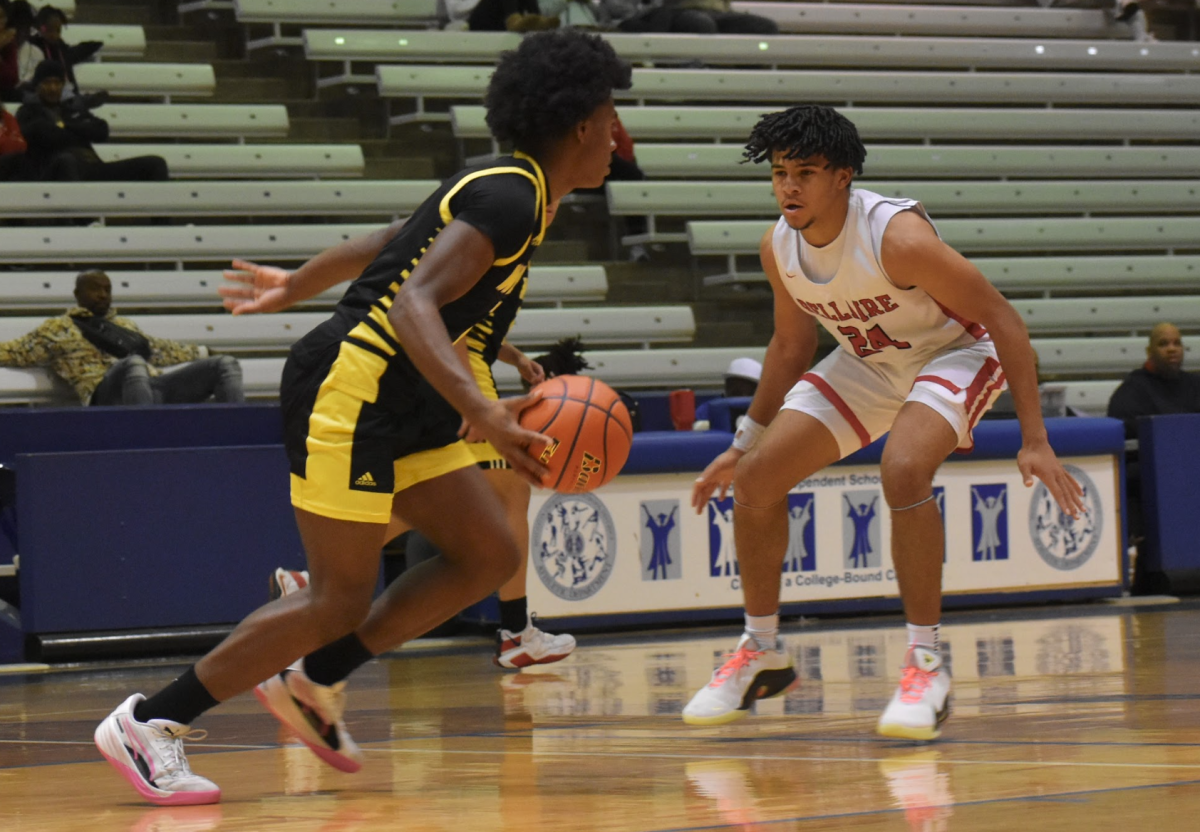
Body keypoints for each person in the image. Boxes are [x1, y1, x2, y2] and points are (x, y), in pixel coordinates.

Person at [93, 29, 630, 806]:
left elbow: (392, 245)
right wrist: (482, 409)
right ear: (581, 123)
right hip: (358, 387)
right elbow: (413, 299)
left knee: (484, 553)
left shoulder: (517, 192)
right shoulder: (510, 194)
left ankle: (316, 679)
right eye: (611, 115)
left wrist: (294, 283)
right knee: (337, 598)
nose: (620, 136)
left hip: (405, 396)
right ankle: (151, 721)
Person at [683, 105, 1085, 740]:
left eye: (806, 172)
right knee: (757, 482)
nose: (789, 186)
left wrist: (1036, 438)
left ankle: (925, 663)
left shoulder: (896, 238)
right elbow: (791, 345)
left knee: (902, 468)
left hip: (955, 352)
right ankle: (762, 652)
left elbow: (1005, 320)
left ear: (842, 176)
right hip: (871, 361)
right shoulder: (778, 247)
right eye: (780, 172)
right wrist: (744, 443)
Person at [244, 212, 582, 671]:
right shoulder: (497, 222)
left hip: (458, 371)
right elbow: (442, 316)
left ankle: (311, 584)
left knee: (467, 504)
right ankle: (517, 632)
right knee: (507, 498)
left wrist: (515, 355)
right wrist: (475, 402)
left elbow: (472, 321)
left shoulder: (512, 235)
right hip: (456, 376)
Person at [0, 270, 244, 406]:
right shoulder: (57, 328)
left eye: (107, 289)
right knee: (133, 364)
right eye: (95, 289)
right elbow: (16, 352)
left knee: (226, 364)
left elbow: (157, 349)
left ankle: (237, 438)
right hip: (105, 398)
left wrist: (201, 352)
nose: (102, 295)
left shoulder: (123, 325)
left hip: (151, 389)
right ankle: (146, 441)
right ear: (77, 294)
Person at [1106, 322, 1200, 591]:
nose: (1172, 349)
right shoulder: (1132, 390)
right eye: (1164, 343)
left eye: (1177, 343)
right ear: (1150, 350)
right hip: (1152, 480)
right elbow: (1124, 431)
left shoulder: (1195, 384)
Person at [16, 60, 167, 182]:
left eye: (57, 83)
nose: (53, 88)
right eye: (47, 83)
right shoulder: (28, 111)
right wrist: (81, 130)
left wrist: (64, 125)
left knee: (155, 163)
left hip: (92, 165)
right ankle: (83, 220)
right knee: (67, 161)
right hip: (55, 169)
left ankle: (163, 220)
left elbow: (101, 130)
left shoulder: (71, 109)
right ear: (37, 86)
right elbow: (47, 136)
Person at [17, 5, 105, 96]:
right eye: (50, 30)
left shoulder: (61, 47)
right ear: (41, 27)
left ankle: (79, 100)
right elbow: (28, 78)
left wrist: (97, 44)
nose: (55, 35)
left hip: (65, 91)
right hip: (44, 92)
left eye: (58, 31)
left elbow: (75, 53)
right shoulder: (32, 47)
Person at [617, 0, 777, 35]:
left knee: (765, 27)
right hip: (681, 10)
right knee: (702, 24)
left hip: (720, 13)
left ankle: (745, 81)